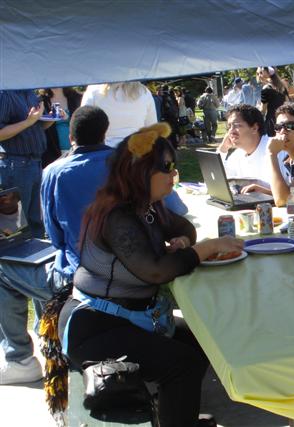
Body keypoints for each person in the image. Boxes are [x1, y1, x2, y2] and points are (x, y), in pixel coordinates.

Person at [57, 122, 243, 427]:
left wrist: (183, 241)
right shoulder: (117, 215)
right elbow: (156, 272)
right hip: (95, 326)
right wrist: (207, 248)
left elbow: (185, 228)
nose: (174, 173)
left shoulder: (145, 206)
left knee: (201, 341)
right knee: (182, 363)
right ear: (139, 170)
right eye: (166, 167)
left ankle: (174, 416)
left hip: (130, 316)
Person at [41, 105, 112, 290]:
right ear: (104, 134)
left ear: (71, 138)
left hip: (79, 272)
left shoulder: (53, 173)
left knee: (6, 273)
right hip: (130, 268)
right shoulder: (129, 163)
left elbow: (55, 237)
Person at [0, 189, 50, 385]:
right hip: (109, 271)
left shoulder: (60, 176)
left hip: (79, 275)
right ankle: (45, 335)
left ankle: (20, 360)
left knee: (2, 270)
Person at [0, 89, 56, 238]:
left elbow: (36, 125)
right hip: (15, 165)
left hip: (35, 163)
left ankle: (36, 250)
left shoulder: (29, 91)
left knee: (35, 222)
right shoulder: (4, 94)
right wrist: (28, 122)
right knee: (16, 229)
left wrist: (52, 119)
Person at [216, 104, 288, 190]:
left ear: (254, 128)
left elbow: (293, 191)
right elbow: (220, 181)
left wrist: (263, 190)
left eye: (237, 125)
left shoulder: (277, 149)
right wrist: (223, 149)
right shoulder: (238, 154)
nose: (231, 131)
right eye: (229, 126)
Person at [81, 82, 157, 148]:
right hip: (135, 152)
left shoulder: (93, 90)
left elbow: (82, 126)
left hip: (103, 152)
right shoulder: (144, 92)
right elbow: (152, 128)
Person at [257, 66, 288, 137]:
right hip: (283, 121)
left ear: (267, 73)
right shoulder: (282, 86)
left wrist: (257, 109)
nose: (259, 76)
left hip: (271, 123)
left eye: (261, 73)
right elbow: (287, 103)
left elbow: (263, 111)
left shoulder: (266, 88)